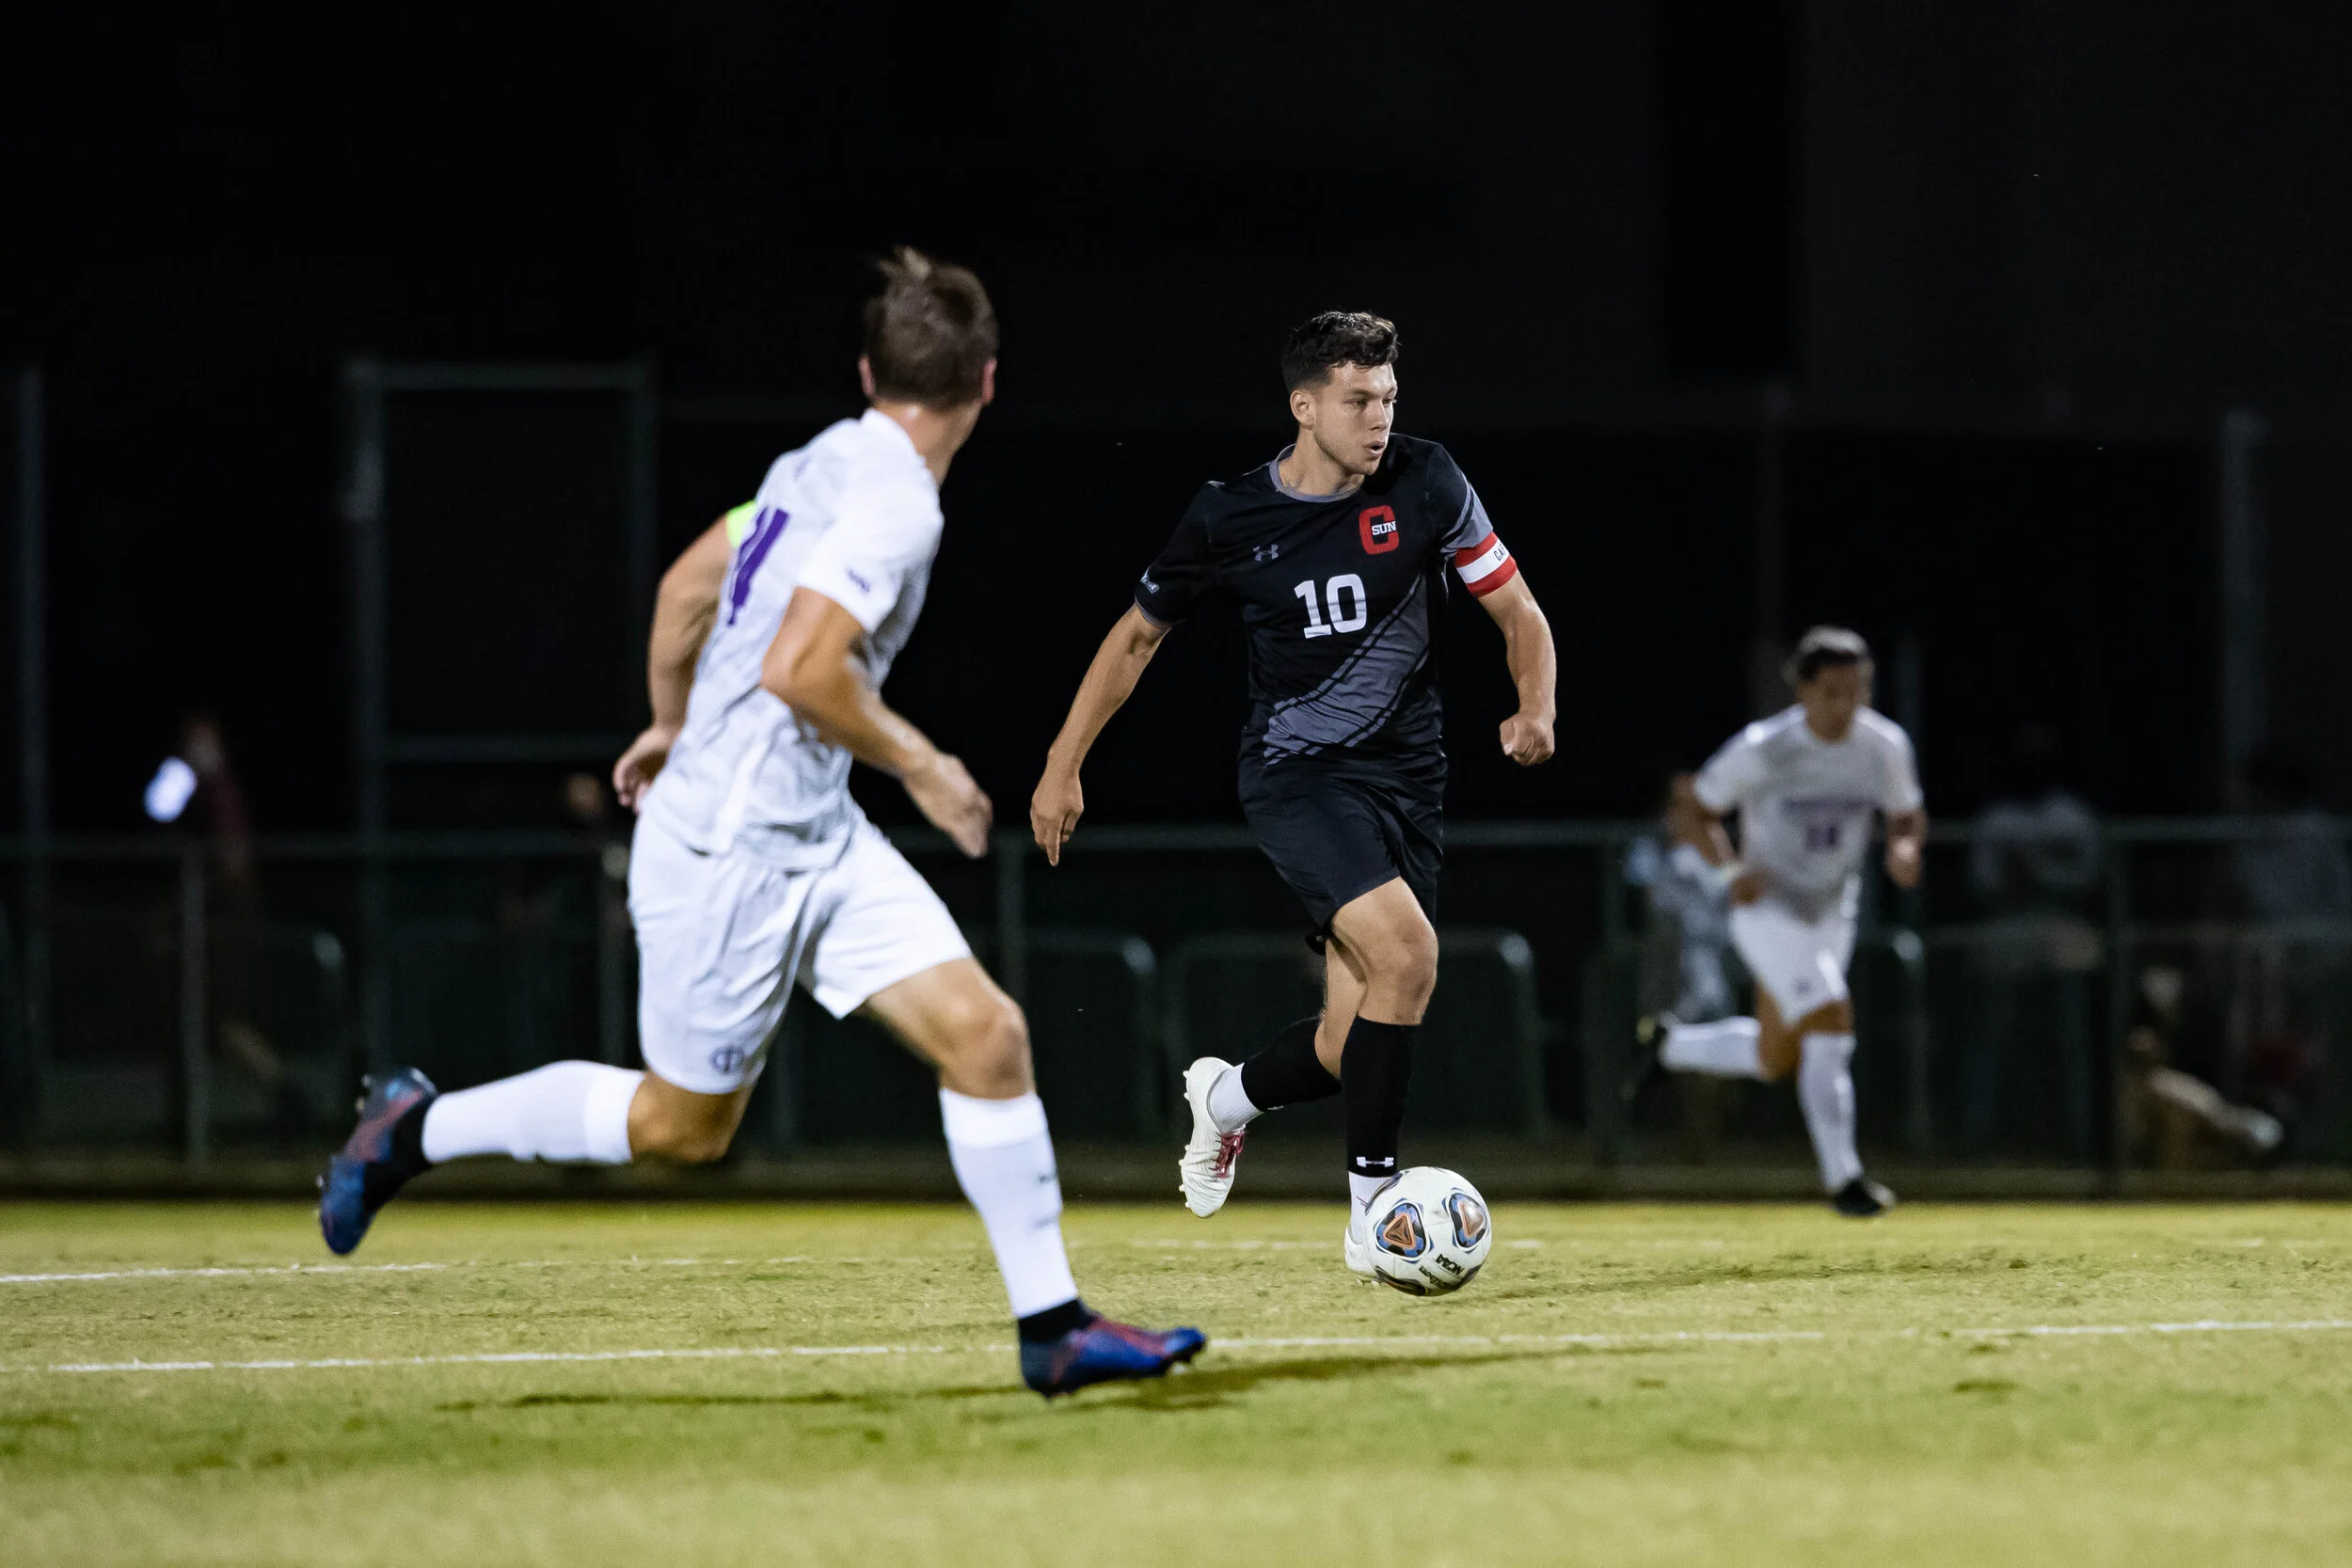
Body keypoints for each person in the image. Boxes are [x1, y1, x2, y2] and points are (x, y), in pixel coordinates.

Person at [318, 249, 1203, 1397]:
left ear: (866, 371)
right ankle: (413, 1127)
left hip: (808, 830)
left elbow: (690, 586)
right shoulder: (897, 509)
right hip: (731, 851)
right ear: (987, 382)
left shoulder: (817, 461)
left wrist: (666, 718)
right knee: (684, 1129)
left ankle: (1055, 1327)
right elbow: (799, 668)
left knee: (988, 1038)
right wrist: (926, 764)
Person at [1029, 311, 1557, 1276]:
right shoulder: (1227, 517)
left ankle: (1225, 1099)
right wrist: (1064, 762)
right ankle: (1374, 1216)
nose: (1380, 419)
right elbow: (1136, 636)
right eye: (1360, 400)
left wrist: (1536, 705)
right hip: (1296, 776)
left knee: (1346, 1036)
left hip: (1410, 779)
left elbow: (1517, 609)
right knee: (1408, 952)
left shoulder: (1429, 479)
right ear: (1303, 405)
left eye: (1390, 398)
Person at [1622, 626, 1925, 1216]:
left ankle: (1669, 1045)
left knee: (1775, 1057)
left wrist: (1904, 848)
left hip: (1832, 914)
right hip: (1767, 911)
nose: (1846, 705)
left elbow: (1906, 815)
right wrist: (1728, 877)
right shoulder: (1765, 747)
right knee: (1832, 1015)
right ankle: (1846, 1180)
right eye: (1833, 691)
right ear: (1803, 691)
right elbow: (1694, 810)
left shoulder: (1884, 745)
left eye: (1858, 690)